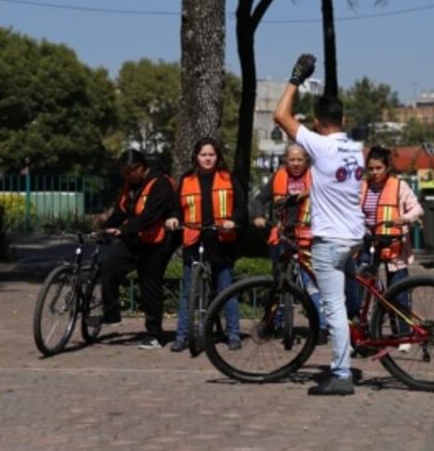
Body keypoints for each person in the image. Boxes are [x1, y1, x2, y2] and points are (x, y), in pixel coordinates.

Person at [274, 54, 365, 396]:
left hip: (329, 240)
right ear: (344, 119)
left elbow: (280, 116)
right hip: (354, 236)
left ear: (316, 122)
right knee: (348, 297)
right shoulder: (354, 149)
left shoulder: (320, 145)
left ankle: (341, 374)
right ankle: (358, 338)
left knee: (333, 307)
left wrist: (295, 78)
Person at [165, 138, 247, 352]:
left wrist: (232, 221)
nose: (208, 158)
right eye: (204, 155)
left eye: (211, 154)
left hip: (220, 238)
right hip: (194, 236)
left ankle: (233, 333)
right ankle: (182, 336)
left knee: (225, 287)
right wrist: (173, 218)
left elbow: (241, 207)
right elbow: (176, 208)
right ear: (196, 157)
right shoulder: (187, 179)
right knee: (188, 291)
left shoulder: (228, 178)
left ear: (217, 157)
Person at [100, 149, 179, 349]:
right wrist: (107, 227)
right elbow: (121, 210)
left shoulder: (161, 183)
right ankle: (111, 314)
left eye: (129, 172)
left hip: (157, 242)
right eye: (124, 173)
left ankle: (154, 334)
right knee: (108, 266)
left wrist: (123, 230)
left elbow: (150, 216)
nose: (127, 177)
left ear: (141, 168)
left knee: (149, 283)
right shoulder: (130, 184)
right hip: (135, 238)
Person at [250, 143, 326, 343]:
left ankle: (321, 327)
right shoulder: (278, 177)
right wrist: (258, 216)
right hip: (284, 237)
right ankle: (275, 323)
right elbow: (258, 199)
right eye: (292, 159)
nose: (296, 163)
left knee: (312, 284)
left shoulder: (316, 177)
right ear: (286, 160)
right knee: (279, 283)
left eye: (300, 159)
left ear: (306, 161)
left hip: (309, 238)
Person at [351, 146, 423, 348]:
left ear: (387, 167)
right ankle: (363, 335)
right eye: (371, 168)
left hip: (394, 246)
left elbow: (417, 208)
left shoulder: (400, 186)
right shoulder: (363, 186)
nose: (374, 172)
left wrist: (405, 218)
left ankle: (403, 335)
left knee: (399, 291)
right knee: (361, 290)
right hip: (369, 244)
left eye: (378, 168)